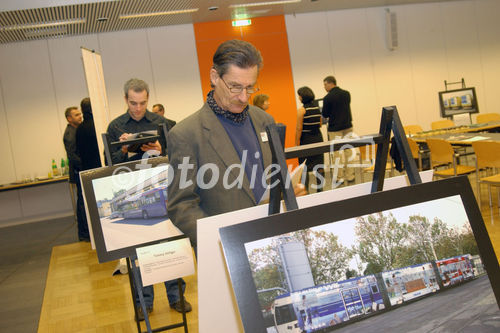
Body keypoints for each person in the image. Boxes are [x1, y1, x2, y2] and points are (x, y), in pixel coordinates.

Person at [166, 39, 306, 253]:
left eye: (250, 88)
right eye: (235, 87)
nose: (243, 97)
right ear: (214, 77)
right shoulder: (186, 135)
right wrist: (222, 240)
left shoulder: (265, 121)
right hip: (225, 253)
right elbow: (181, 207)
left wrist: (290, 194)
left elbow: (274, 181)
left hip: (275, 243)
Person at [106, 78, 190, 319]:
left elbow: (176, 155)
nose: (138, 108)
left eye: (143, 103)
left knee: (170, 245)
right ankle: (144, 303)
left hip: (162, 190)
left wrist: (160, 149)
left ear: (148, 99)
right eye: (133, 103)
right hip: (132, 190)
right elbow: (109, 165)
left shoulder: (162, 123)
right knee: (138, 251)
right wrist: (123, 150)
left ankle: (177, 297)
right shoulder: (115, 127)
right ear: (125, 100)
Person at [63, 106, 89, 241]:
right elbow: (72, 155)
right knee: (82, 202)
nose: (80, 116)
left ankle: (85, 232)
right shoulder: (70, 134)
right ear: (69, 118)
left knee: (82, 201)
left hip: (80, 170)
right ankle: (84, 233)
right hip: (78, 171)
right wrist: (84, 167)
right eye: (76, 115)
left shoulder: (76, 130)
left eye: (80, 114)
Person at [321, 75, 355, 183]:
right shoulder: (346, 94)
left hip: (335, 128)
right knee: (349, 151)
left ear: (330, 83)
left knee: (337, 154)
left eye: (325, 85)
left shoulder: (327, 98)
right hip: (348, 126)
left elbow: (325, 114)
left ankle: (339, 177)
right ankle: (350, 176)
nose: (324, 87)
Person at [295, 86, 325, 192]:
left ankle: (305, 189)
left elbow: (299, 129)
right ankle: (320, 189)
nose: (298, 97)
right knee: (319, 165)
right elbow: (320, 124)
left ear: (302, 96)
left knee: (304, 167)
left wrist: (296, 143)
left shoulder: (301, 110)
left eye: (299, 95)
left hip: (306, 140)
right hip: (318, 138)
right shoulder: (317, 109)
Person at [76, 97, 101, 171]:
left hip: (86, 170)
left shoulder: (79, 128)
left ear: (82, 110)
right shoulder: (97, 126)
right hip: (99, 167)